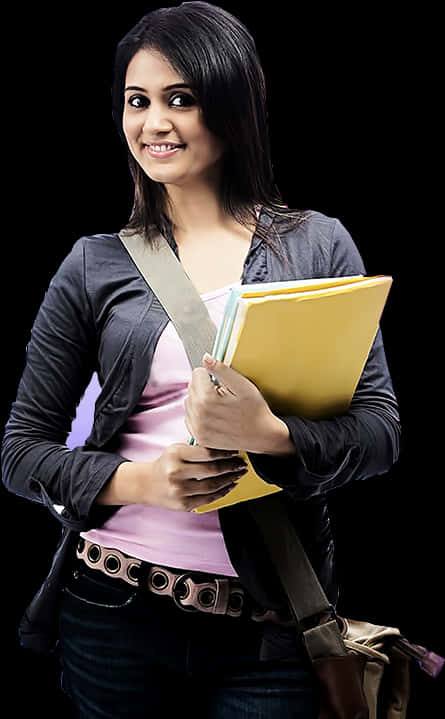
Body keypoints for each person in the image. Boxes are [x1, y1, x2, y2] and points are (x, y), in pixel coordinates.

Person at [1, 3, 401, 718]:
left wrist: (273, 437)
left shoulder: (317, 247)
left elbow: (378, 434)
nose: (153, 123)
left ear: (230, 102)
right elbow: (21, 452)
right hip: (111, 609)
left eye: (179, 99)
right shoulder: (92, 265)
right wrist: (144, 481)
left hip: (269, 630)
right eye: (137, 101)